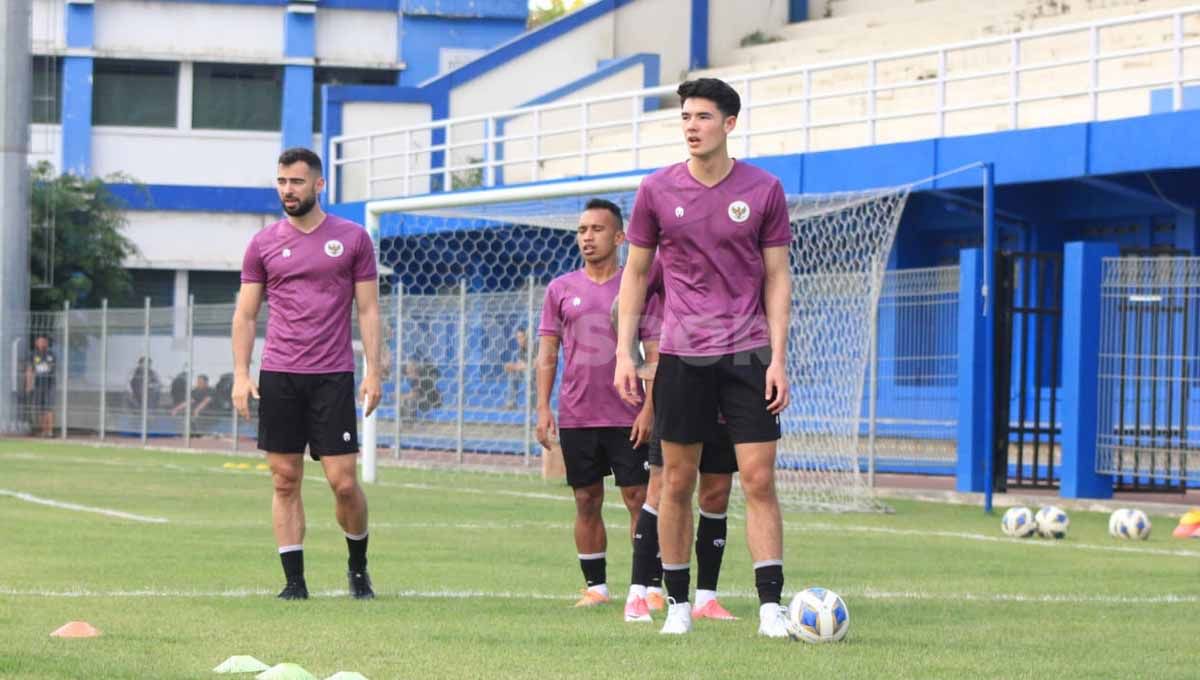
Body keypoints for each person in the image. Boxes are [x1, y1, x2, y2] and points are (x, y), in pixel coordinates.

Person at [614, 77, 794, 637]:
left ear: (730, 124)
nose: (691, 126)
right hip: (681, 356)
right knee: (677, 482)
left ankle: (770, 608)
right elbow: (637, 274)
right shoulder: (656, 190)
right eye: (685, 117)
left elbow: (777, 276)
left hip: (747, 353)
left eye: (703, 117)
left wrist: (779, 357)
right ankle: (678, 606)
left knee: (758, 480)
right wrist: (624, 353)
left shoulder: (764, 189)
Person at [232, 147, 383, 601]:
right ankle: (293, 582)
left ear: (319, 185)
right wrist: (241, 373)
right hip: (279, 374)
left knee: (343, 482)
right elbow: (245, 314)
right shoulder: (262, 243)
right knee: (284, 479)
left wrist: (375, 370)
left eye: (296, 182)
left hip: (333, 375)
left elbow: (369, 309)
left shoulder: (353, 238)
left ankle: (358, 567)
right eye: (281, 181)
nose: (287, 190)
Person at [536, 198, 656, 608]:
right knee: (586, 500)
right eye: (582, 230)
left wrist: (649, 408)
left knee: (639, 499)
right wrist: (542, 407)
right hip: (577, 414)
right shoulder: (560, 289)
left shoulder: (636, 286)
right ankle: (596, 588)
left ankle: (649, 588)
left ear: (620, 236)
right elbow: (548, 352)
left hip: (629, 414)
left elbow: (655, 352)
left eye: (597, 229)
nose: (587, 237)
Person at [618, 260, 739, 625]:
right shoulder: (669, 257)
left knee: (717, 491)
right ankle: (639, 592)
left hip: (729, 383)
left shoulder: (737, 252)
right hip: (679, 386)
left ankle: (707, 598)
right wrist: (644, 358)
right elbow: (621, 304)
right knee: (662, 486)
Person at [24, 335, 56, 437]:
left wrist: (39, 368)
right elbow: (29, 370)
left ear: (46, 343)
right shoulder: (32, 355)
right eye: (40, 341)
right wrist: (29, 385)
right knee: (41, 408)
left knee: (49, 408)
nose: (42, 343)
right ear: (36, 343)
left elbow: (50, 366)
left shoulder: (51, 354)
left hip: (50, 384)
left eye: (44, 341)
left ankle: (50, 431)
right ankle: (43, 431)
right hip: (38, 384)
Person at [502, 327, 530, 410]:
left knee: (529, 374)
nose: (520, 340)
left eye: (522, 337)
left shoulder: (534, 346)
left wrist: (515, 366)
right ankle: (511, 403)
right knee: (513, 374)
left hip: (538, 375)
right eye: (518, 338)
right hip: (526, 372)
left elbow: (534, 365)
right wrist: (512, 366)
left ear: (527, 337)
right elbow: (521, 364)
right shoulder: (521, 350)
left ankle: (531, 404)